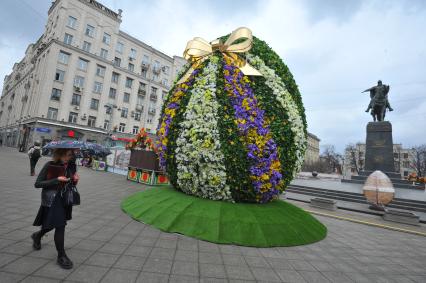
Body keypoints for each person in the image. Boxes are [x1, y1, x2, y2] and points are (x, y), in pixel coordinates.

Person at [31, 148, 80, 269]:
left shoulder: (71, 166)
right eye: (67, 155)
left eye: (70, 155)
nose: (69, 158)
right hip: (52, 199)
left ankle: (38, 235)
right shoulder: (50, 165)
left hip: (64, 199)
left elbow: (70, 183)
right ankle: (61, 256)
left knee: (53, 224)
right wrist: (56, 180)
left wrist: (75, 181)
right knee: (60, 225)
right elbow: (38, 184)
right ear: (60, 155)